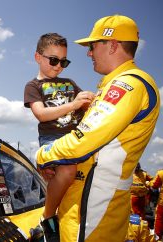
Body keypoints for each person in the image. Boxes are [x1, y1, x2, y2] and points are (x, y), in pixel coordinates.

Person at [35, 14, 160, 242]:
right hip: (85, 205)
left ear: (112, 45)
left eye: (92, 46)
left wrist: (44, 155)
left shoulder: (129, 83)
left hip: (93, 212)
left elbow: (82, 142)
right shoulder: (114, 86)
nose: (88, 53)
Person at [24, 33, 95, 241]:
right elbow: (41, 114)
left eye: (64, 62)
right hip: (51, 141)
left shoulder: (70, 83)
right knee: (67, 169)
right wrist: (73, 104)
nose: (59, 66)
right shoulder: (33, 86)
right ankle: (47, 218)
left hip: (76, 140)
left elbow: (88, 107)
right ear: (38, 57)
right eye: (53, 60)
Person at [148, 169, 163, 240]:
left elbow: (154, 185)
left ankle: (158, 239)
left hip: (162, 204)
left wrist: (148, 183)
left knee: (159, 220)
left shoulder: (161, 173)